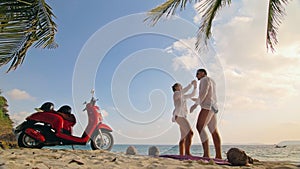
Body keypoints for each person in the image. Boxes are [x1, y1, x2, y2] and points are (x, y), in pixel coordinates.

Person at [190, 68, 222, 159]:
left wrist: (195, 105)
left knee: (199, 127)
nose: (196, 76)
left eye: (198, 73)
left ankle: (206, 154)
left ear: (203, 73)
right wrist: (196, 100)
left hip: (207, 107)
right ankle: (218, 156)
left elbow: (204, 93)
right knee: (213, 130)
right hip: (213, 107)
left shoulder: (204, 79)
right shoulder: (212, 81)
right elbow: (209, 95)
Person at [172, 80, 197, 156]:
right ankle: (187, 153)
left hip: (182, 116)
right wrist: (190, 84)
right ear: (176, 87)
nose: (181, 86)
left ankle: (181, 155)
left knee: (183, 137)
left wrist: (195, 87)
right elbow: (184, 91)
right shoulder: (176, 94)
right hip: (179, 116)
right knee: (190, 133)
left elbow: (192, 94)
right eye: (180, 85)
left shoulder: (182, 96)